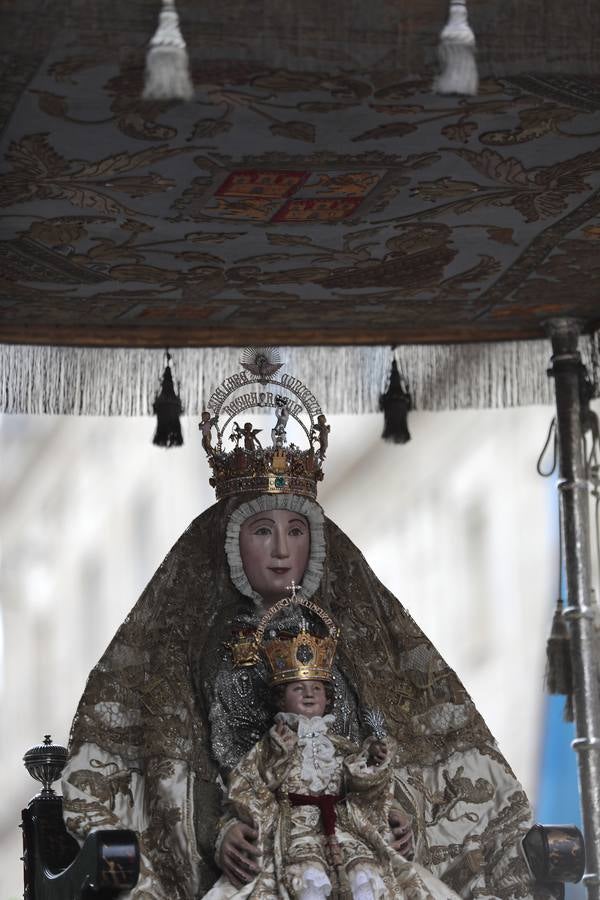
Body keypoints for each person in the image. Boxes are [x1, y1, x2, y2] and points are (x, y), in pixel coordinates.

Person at [61, 350, 547, 900]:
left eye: (295, 530)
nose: (280, 551)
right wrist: (218, 833)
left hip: (355, 845)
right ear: (231, 540)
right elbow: (181, 762)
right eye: (262, 531)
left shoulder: (349, 637)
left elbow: (378, 741)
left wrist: (395, 813)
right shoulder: (197, 642)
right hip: (260, 853)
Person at [203, 598, 462, 900]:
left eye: (316, 689)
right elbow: (248, 786)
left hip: (345, 832)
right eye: (299, 688)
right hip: (294, 834)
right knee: (301, 881)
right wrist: (276, 758)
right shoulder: (272, 744)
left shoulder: (342, 747)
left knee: (369, 876)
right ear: (280, 700)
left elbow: (360, 787)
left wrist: (373, 765)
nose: (309, 694)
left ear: (328, 698)